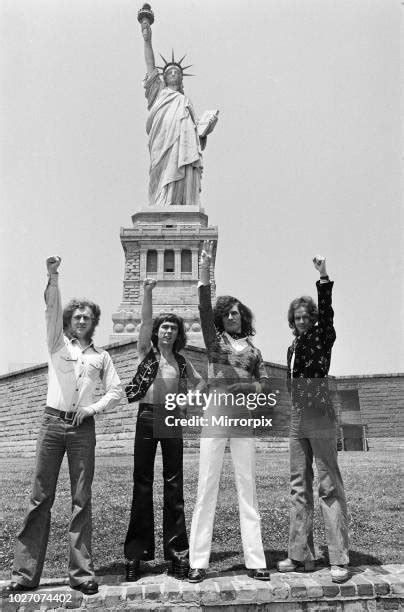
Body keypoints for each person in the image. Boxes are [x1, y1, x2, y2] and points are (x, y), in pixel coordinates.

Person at [2, 256, 123, 597]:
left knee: (81, 499)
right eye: (77, 316)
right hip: (52, 425)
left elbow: (116, 390)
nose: (81, 320)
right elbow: (51, 312)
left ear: (93, 322)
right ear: (70, 321)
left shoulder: (102, 357)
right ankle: (25, 574)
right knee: (40, 498)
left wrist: (93, 409)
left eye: (87, 317)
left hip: (82, 429)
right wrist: (53, 278)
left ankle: (81, 574)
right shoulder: (57, 344)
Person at [188, 241, 271, 583]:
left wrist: (246, 388)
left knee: (246, 486)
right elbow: (204, 309)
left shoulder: (254, 352)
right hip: (216, 414)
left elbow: (264, 385)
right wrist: (205, 271)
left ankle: (256, 561)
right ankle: (198, 562)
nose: (232, 316)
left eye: (237, 312)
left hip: (243, 419)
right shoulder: (215, 343)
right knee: (206, 485)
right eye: (228, 313)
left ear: (244, 317)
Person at [124, 278, 204, 581]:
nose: (167, 331)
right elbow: (144, 321)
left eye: (173, 327)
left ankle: (177, 555)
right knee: (141, 484)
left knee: (174, 487)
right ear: (157, 332)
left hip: (171, 418)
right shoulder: (147, 353)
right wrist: (147, 293)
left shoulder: (183, 363)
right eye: (164, 327)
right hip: (146, 415)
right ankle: (135, 556)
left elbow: (201, 384)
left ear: (178, 334)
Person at [277, 256, 349, 583]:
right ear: (292, 321)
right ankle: (300, 555)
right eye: (298, 317)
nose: (303, 320)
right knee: (298, 486)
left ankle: (339, 560)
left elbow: (328, 311)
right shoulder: (292, 348)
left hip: (319, 415)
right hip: (297, 419)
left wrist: (322, 277)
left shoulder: (322, 338)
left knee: (328, 485)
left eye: (307, 316)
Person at [140, 17, 217, 206]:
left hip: (183, 144)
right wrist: (147, 39)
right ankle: (161, 204)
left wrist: (205, 127)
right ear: (164, 78)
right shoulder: (158, 92)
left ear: (181, 79)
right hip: (162, 141)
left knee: (181, 168)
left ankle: (179, 203)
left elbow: (195, 132)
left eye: (177, 72)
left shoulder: (185, 101)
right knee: (161, 172)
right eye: (169, 72)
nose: (173, 73)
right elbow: (150, 66)